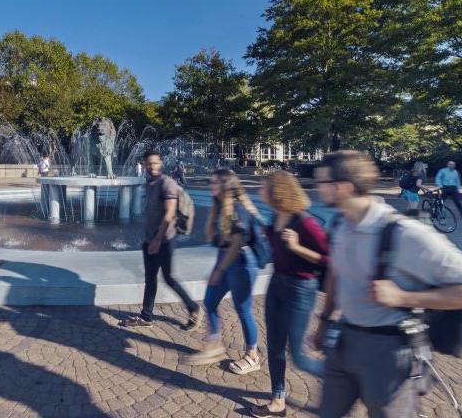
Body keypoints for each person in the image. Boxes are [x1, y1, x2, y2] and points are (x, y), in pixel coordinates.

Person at [309, 151, 462, 417]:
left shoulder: (404, 234)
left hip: (389, 353)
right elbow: (336, 272)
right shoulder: (342, 223)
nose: (317, 189)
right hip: (342, 342)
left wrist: (403, 298)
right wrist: (324, 321)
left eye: (322, 182)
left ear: (343, 187)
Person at [250, 171, 328, 418]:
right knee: (274, 346)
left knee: (298, 356)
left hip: (300, 289)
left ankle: (347, 379)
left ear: (278, 191)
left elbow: (329, 259)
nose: (260, 190)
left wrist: (297, 247)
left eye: (265, 187)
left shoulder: (305, 222)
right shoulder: (275, 218)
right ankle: (278, 401)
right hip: (277, 285)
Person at [183, 169, 262, 375]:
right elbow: (223, 244)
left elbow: (236, 243)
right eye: (211, 182)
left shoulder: (237, 207)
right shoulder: (219, 207)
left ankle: (253, 355)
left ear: (226, 185)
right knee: (209, 303)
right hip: (226, 261)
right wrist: (217, 268)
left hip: (242, 264)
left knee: (243, 309)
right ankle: (215, 346)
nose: (211, 186)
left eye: (215, 183)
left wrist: (219, 270)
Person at [121, 149, 201, 330]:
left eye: (155, 163)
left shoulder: (167, 184)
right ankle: (146, 316)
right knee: (150, 278)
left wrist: (157, 240)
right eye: (149, 163)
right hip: (150, 239)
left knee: (169, 277)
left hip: (164, 240)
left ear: (161, 163)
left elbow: (169, 214)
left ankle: (193, 308)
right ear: (144, 164)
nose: (152, 166)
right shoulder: (149, 183)